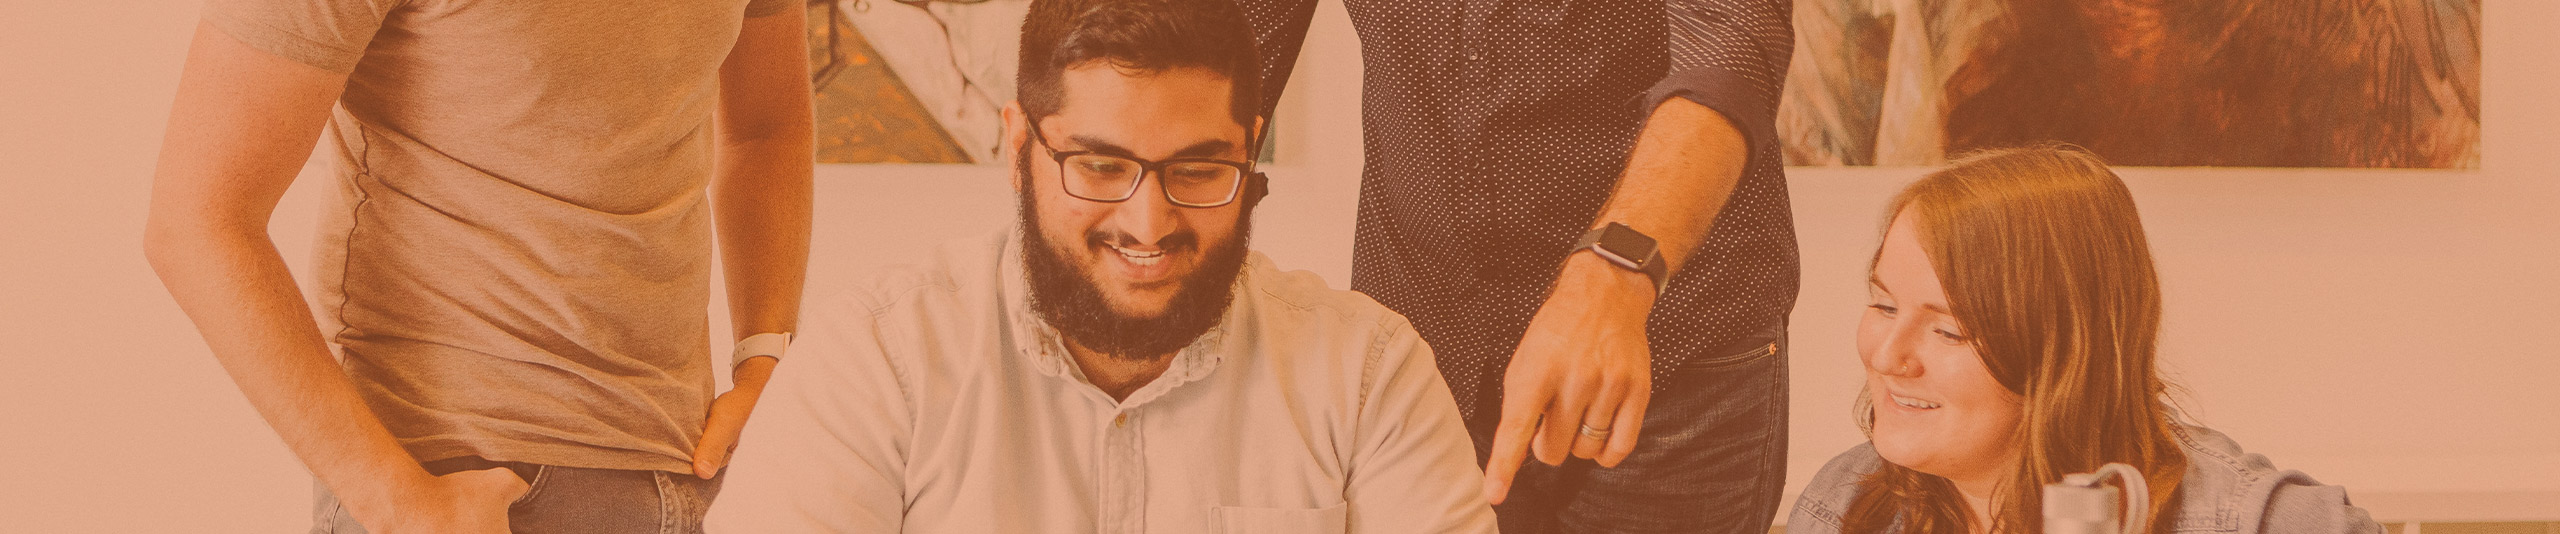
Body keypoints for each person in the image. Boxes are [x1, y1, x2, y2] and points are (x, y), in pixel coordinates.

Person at [702, 0, 1495, 531]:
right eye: (1102, 167)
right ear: (1020, 148)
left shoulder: (1369, 377)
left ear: (1249, 149)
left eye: (1198, 170)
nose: (1148, 223)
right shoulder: (876, 364)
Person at [139, 0, 814, 530]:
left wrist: (765, 361)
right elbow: (195, 220)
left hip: (684, 470)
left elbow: (768, 127)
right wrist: (401, 504)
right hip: (463, 477)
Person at [1236, 0, 1800, 531]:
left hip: (1669, 343)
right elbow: (1227, 38)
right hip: (1425, 341)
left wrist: (1615, 272)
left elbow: (1731, 39)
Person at [1788, 146, 2385, 534]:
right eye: (1883, 305)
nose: (1886, 356)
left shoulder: (2253, 519)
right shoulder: (1843, 502)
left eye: (1949, 331)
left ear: (2064, 351)